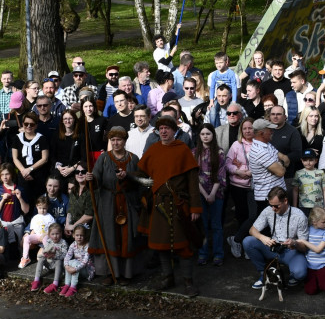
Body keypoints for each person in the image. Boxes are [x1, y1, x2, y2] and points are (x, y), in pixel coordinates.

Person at [137, 115, 202, 296]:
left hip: (179, 205)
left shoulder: (182, 150)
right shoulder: (153, 149)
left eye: (167, 128)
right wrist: (126, 176)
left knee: (183, 246)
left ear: (174, 130)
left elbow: (192, 181)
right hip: (158, 205)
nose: (164, 131)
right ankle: (168, 277)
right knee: (161, 245)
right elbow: (140, 173)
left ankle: (188, 282)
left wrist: (195, 207)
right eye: (161, 128)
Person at [91, 127, 147, 283]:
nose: (116, 143)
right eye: (113, 140)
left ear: (125, 141)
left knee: (126, 238)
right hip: (108, 203)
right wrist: (91, 179)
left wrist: (127, 177)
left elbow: (141, 181)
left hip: (128, 203)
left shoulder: (134, 159)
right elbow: (96, 178)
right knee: (110, 236)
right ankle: (111, 273)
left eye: (119, 140)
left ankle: (127, 273)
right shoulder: (103, 158)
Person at [243, 187, 309, 288]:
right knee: (248, 241)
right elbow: (252, 230)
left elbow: (304, 247)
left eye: (276, 206)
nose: (273, 209)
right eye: (271, 205)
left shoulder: (299, 216)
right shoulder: (269, 210)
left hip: (291, 250)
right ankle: (264, 273)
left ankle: (293, 275)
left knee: (300, 274)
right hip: (273, 247)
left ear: (285, 201)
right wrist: (262, 237)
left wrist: (294, 243)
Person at [194, 124, 227, 267]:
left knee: (216, 225)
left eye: (208, 133)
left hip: (216, 192)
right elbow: (194, 176)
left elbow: (221, 174)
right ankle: (203, 253)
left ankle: (218, 254)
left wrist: (212, 193)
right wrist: (204, 193)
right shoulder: (194, 152)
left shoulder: (219, 152)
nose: (205, 136)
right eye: (203, 134)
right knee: (203, 225)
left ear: (213, 135)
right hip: (200, 192)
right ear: (199, 136)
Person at [224, 118, 255, 257]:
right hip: (238, 185)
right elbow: (228, 163)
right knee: (241, 215)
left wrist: (251, 172)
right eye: (245, 128)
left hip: (254, 186)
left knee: (252, 216)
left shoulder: (259, 144)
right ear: (241, 130)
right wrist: (238, 171)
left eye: (250, 128)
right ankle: (239, 242)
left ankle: (247, 243)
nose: (247, 131)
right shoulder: (236, 145)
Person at [301, 207, 325, 295]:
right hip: (310, 264)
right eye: (324, 222)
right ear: (314, 222)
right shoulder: (308, 229)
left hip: (322, 264)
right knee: (310, 291)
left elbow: (318, 250)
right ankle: (316, 281)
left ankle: (321, 280)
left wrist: (304, 241)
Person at [20, 196, 55, 268]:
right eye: (40, 208)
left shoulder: (50, 217)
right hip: (37, 236)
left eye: (44, 208)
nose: (42, 210)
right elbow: (33, 230)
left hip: (46, 237)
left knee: (45, 238)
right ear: (37, 207)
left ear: (47, 207)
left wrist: (45, 234)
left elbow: (52, 230)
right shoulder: (35, 217)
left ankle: (48, 259)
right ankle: (25, 258)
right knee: (26, 238)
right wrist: (30, 237)